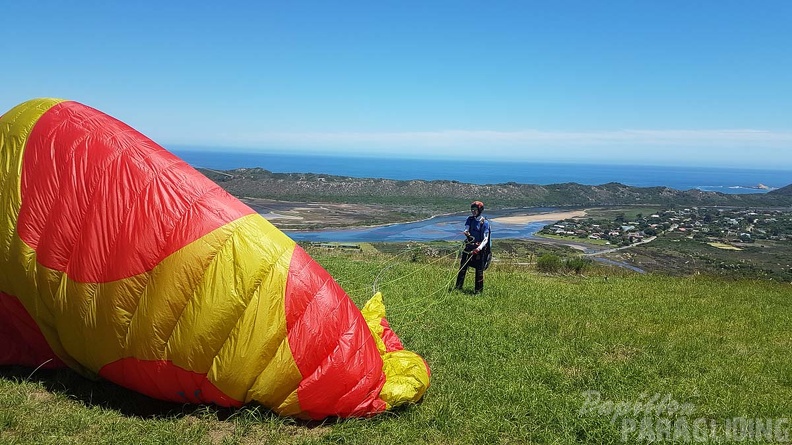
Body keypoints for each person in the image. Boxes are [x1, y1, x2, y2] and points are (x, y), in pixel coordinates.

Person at [455, 201, 490, 294]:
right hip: (469, 247)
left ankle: (478, 292)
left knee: (479, 272)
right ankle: (458, 288)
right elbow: (466, 228)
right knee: (462, 268)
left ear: (480, 210)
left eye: (475, 210)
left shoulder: (485, 223)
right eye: (472, 210)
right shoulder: (469, 219)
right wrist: (466, 232)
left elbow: (485, 239)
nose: (473, 211)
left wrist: (478, 249)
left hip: (479, 250)